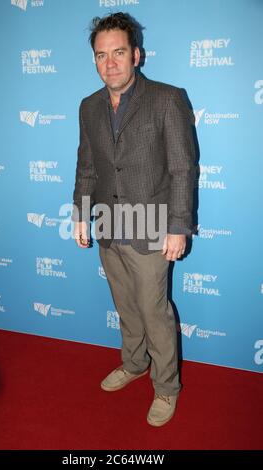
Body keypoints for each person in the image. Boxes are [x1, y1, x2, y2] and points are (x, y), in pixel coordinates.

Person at [72, 12, 195, 427]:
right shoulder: (88, 106)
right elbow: (86, 166)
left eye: (119, 52)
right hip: (107, 224)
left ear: (136, 55)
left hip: (152, 226)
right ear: (95, 60)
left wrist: (179, 225)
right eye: (102, 55)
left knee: (154, 312)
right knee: (125, 306)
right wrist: (80, 215)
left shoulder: (167, 98)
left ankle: (166, 388)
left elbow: (183, 168)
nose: (111, 63)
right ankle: (133, 362)